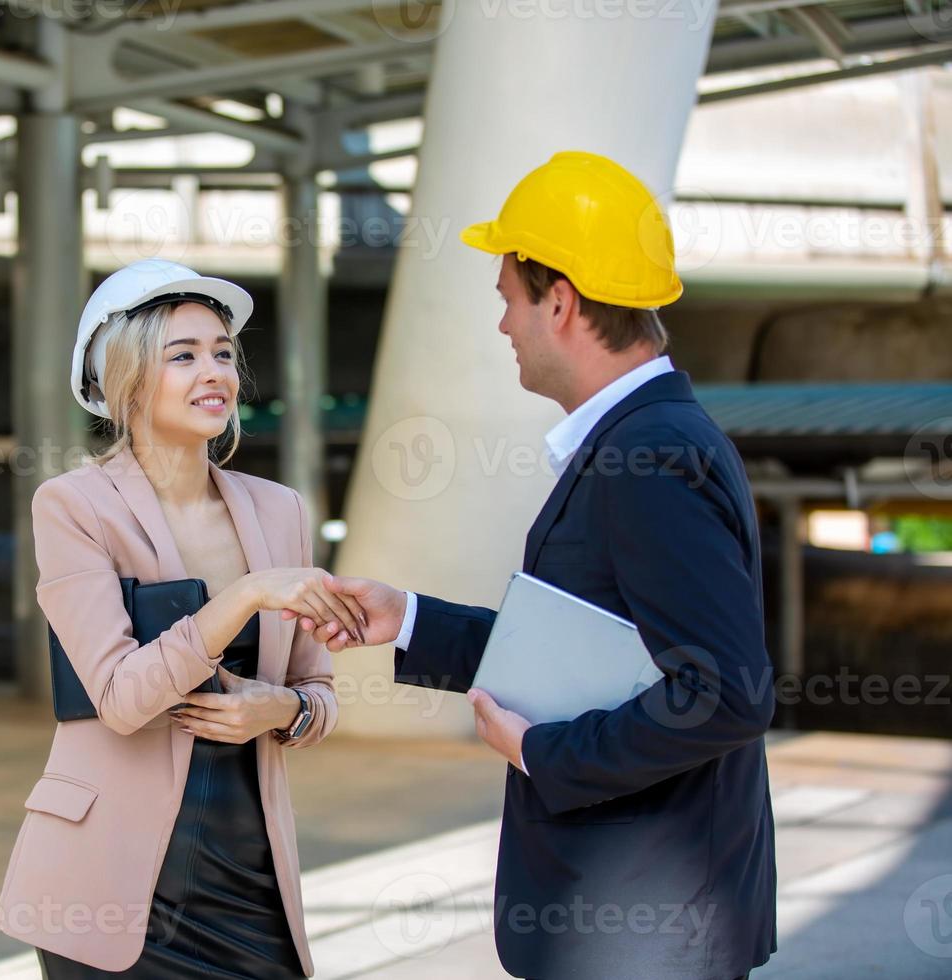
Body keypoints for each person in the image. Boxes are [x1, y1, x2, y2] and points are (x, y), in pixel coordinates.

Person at [297, 152, 777, 980]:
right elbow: (581, 655)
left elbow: (727, 694)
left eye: (509, 299)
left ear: (560, 302)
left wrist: (543, 754)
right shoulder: (650, 438)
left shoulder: (650, 454)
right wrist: (405, 617)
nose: (503, 325)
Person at [0, 258, 363, 978]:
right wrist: (244, 597)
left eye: (224, 353)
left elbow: (321, 691)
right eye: (184, 356)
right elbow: (123, 699)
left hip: (248, 877)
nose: (215, 372)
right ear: (125, 378)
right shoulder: (74, 508)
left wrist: (280, 709)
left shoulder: (278, 510)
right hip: (109, 885)